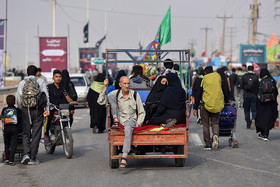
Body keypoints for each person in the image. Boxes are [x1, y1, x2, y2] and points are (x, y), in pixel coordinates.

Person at [97, 76, 145, 168]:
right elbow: (100, 101)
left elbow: (142, 112)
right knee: (111, 96)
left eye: (128, 84)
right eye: (124, 84)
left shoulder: (135, 94)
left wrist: (138, 123)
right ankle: (115, 121)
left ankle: (124, 156)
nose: (126, 86)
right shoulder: (115, 94)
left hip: (130, 120)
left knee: (127, 128)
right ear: (120, 84)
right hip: (118, 119)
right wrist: (105, 87)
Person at [16, 65, 50, 165]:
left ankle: (26, 154)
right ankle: (33, 158)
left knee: (26, 133)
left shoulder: (22, 83)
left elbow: (19, 97)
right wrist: (47, 109)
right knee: (36, 134)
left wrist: (21, 110)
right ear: (36, 73)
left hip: (26, 110)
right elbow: (45, 95)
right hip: (37, 110)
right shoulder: (40, 81)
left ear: (26, 73)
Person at [193, 66, 224, 150]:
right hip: (216, 103)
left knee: (205, 124)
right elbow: (223, 89)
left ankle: (208, 144)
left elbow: (199, 93)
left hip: (206, 104)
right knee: (215, 123)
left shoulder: (204, 79)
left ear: (205, 73)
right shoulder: (218, 77)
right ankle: (215, 135)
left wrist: (195, 106)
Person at [44, 70, 76, 145]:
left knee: (70, 118)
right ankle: (46, 135)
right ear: (53, 78)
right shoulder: (49, 87)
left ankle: (65, 132)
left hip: (61, 108)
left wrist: (72, 102)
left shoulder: (63, 88)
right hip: (52, 108)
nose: (58, 78)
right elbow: (45, 97)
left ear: (61, 78)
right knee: (48, 118)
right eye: (56, 77)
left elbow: (67, 97)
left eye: (59, 77)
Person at [256, 69, 278, 141]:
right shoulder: (272, 80)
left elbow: (257, 92)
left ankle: (262, 133)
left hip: (261, 103)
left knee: (261, 117)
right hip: (271, 103)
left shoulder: (260, 81)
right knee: (268, 118)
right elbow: (276, 92)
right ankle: (266, 134)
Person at [1, 95, 22, 165]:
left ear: (6, 102)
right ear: (15, 102)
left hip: (6, 129)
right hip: (15, 129)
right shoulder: (17, 110)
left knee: (7, 144)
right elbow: (21, 118)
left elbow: (1, 117)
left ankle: (7, 159)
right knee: (13, 144)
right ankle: (11, 160)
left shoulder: (4, 109)